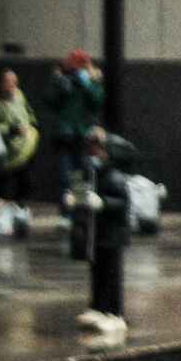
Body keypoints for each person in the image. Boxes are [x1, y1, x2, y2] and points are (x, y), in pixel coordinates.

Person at [69, 127, 131, 341]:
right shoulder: (97, 173)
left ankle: (114, 312)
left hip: (113, 235)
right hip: (99, 235)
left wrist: (103, 203)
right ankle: (98, 306)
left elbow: (122, 203)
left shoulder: (115, 177)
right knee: (98, 273)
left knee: (111, 275)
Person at [43, 48, 103, 222]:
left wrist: (89, 85)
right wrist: (62, 84)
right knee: (65, 176)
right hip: (65, 134)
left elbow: (97, 101)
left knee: (84, 174)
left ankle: (81, 211)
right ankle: (66, 213)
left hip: (83, 135)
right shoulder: (63, 80)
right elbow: (51, 101)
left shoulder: (92, 81)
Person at [0, 66, 39, 238]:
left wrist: (31, 124)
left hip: (26, 148)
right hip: (5, 153)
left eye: (14, 82)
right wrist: (10, 129)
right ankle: (1, 221)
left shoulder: (19, 95)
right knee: (2, 187)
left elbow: (27, 112)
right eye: (8, 82)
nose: (12, 85)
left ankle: (19, 215)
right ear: (0, 83)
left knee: (25, 183)